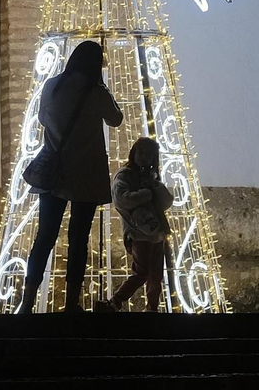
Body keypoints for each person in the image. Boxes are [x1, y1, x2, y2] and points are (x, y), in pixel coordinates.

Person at [18, 40, 124, 314]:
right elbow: (116, 119)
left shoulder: (52, 85)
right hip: (85, 177)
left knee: (45, 237)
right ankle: (70, 304)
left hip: (54, 174)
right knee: (78, 240)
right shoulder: (96, 92)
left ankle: (27, 301)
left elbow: (42, 118)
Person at [98, 136, 174, 313]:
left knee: (156, 274)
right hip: (138, 233)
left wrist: (155, 186)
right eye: (141, 152)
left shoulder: (152, 178)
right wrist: (146, 193)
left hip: (156, 232)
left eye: (149, 154)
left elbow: (165, 202)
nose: (143, 157)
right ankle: (116, 301)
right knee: (142, 272)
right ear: (133, 152)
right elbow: (121, 199)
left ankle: (152, 307)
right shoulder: (124, 175)